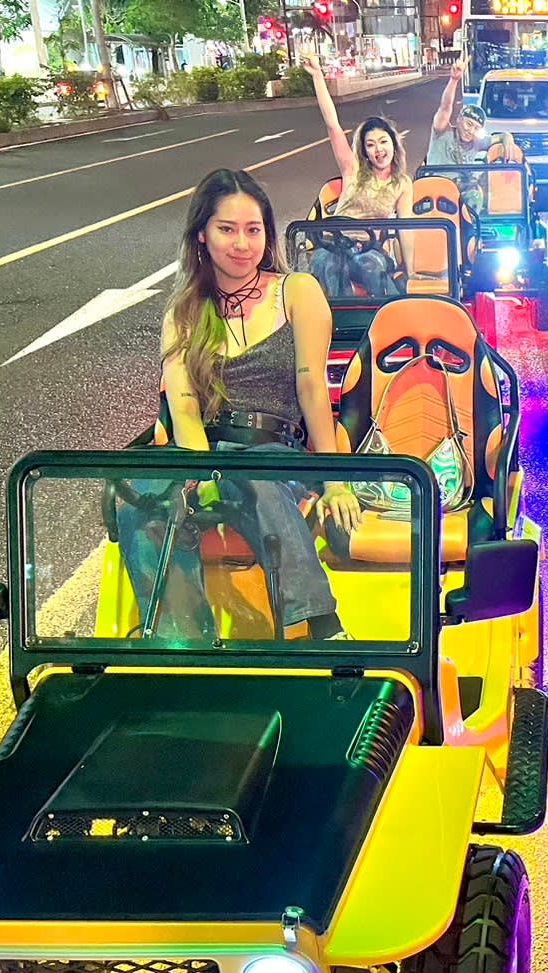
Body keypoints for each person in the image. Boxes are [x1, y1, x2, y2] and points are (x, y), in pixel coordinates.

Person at [121, 168, 357, 642]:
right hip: (205, 448)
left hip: (275, 450)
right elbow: (184, 405)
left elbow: (312, 388)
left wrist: (335, 482)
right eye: (227, 229)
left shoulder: (297, 292)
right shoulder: (183, 311)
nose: (242, 244)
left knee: (256, 478)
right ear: (202, 234)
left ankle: (322, 626)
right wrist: (200, 472)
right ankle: (182, 644)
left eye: (253, 230)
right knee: (137, 499)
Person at [303, 55, 412, 298]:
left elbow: (406, 229)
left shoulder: (402, 184)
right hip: (333, 244)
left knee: (372, 268)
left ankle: (381, 315)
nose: (378, 150)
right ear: (364, 151)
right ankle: (337, 319)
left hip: (368, 248)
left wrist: (412, 272)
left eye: (383, 142)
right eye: (371, 145)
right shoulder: (353, 169)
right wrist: (318, 76)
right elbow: (333, 125)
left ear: (394, 145)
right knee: (331, 266)